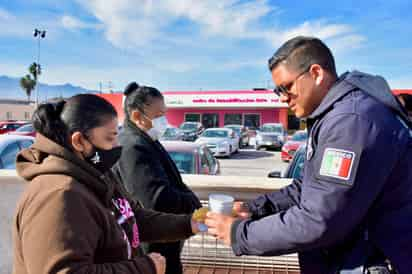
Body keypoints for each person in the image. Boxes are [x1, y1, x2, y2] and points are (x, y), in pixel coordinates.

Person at [205, 36, 412, 273]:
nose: (282, 98)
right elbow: (309, 187)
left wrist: (236, 233)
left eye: (286, 87)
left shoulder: (351, 121)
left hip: (366, 260)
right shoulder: (335, 115)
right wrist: (255, 209)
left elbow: (320, 220)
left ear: (316, 73)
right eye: (277, 91)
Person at [13, 94, 203, 274]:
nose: (116, 147)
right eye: (110, 138)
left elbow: (132, 217)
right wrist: (145, 268)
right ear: (79, 141)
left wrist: (188, 224)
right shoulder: (58, 195)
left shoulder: (96, 172)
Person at [113, 83, 202, 274]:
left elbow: (173, 182)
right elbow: (157, 200)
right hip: (154, 248)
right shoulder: (132, 147)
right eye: (158, 115)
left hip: (165, 240)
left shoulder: (145, 138)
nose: (164, 121)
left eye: (165, 114)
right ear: (137, 116)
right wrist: (192, 204)